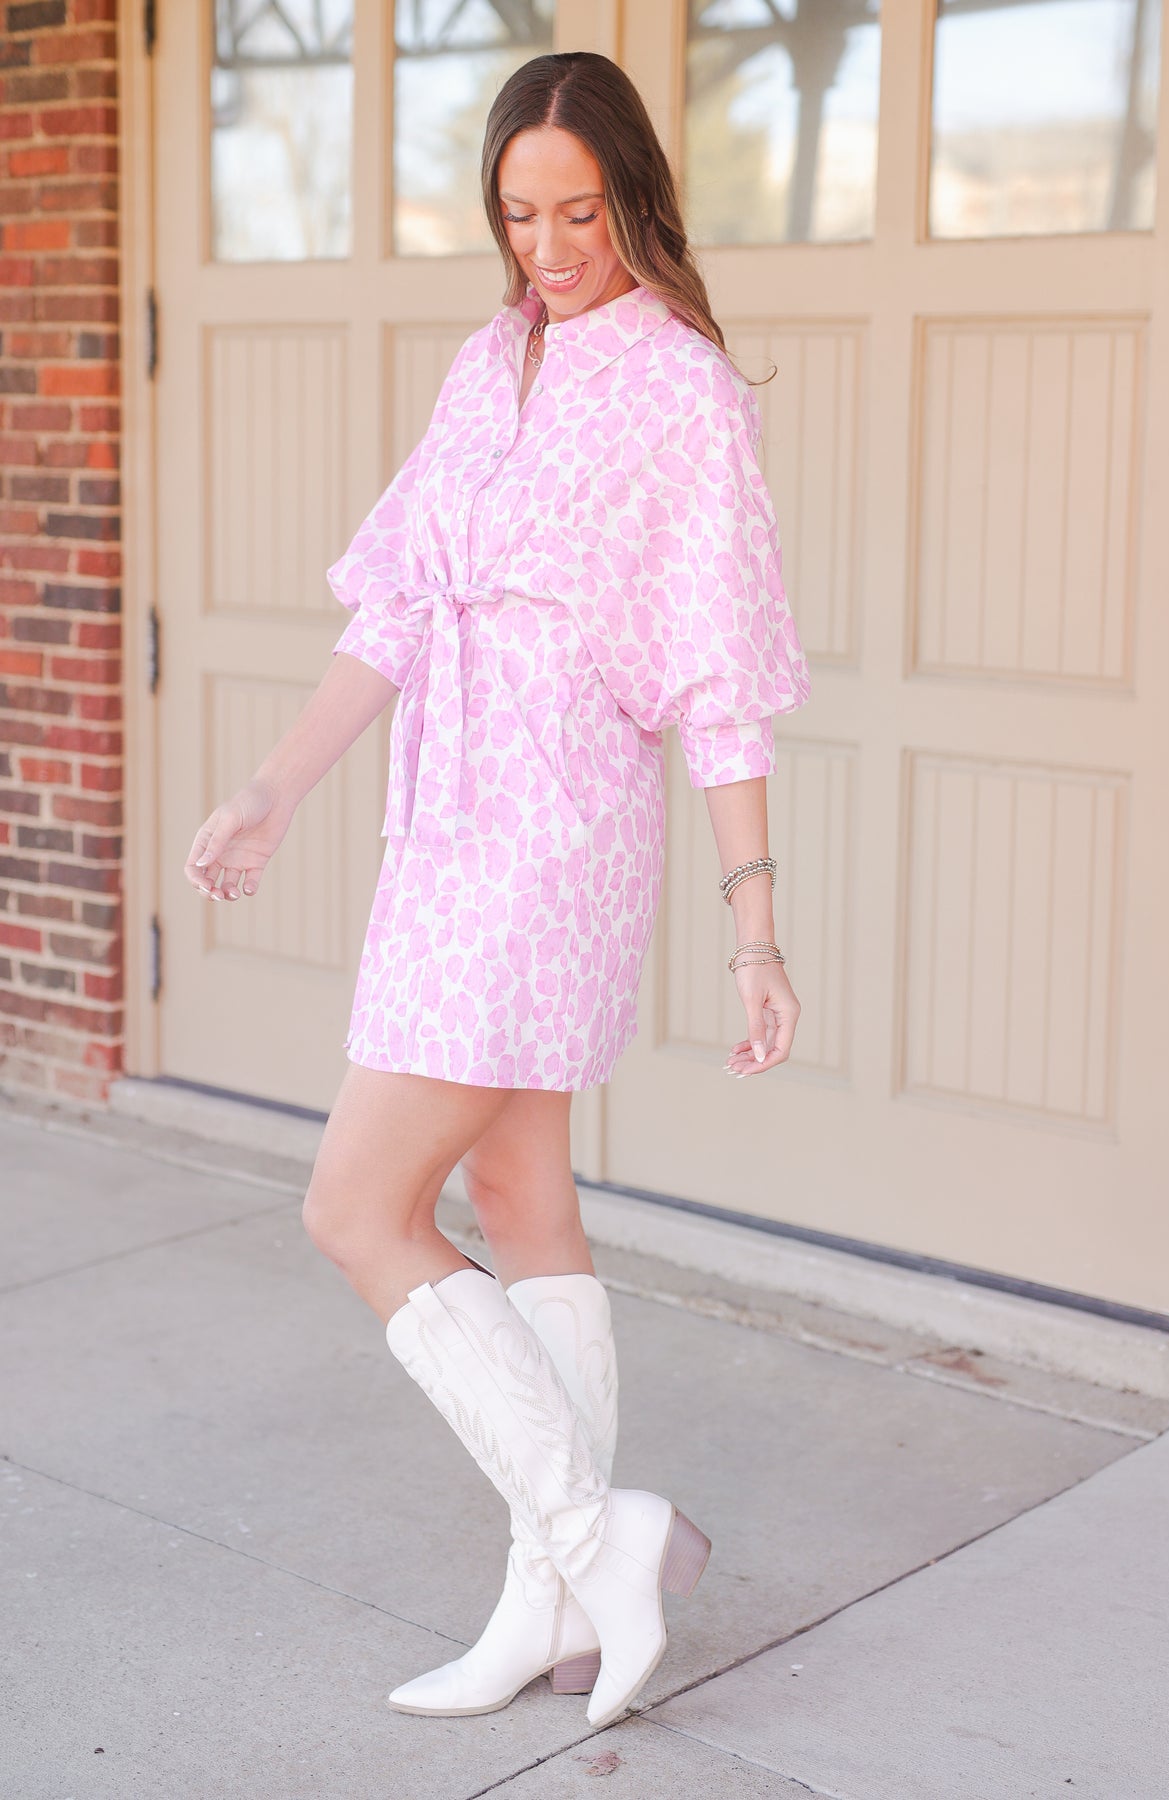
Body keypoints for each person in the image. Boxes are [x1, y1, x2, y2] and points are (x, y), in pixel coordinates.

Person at [183, 52, 810, 1731]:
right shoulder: (488, 361)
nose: (548, 246)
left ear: (634, 197)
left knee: (354, 1209)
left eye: (579, 213)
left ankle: (600, 1541)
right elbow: (395, 604)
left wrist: (755, 923)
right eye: (521, 215)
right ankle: (555, 1608)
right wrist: (271, 787)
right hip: (437, 822)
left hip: (555, 836)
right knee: (525, 1198)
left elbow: (721, 677)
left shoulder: (685, 393)